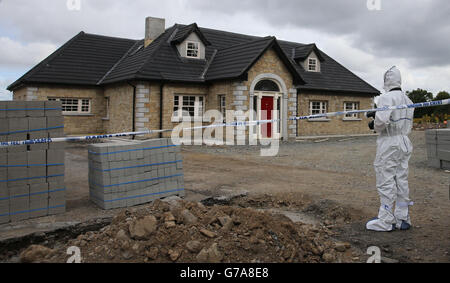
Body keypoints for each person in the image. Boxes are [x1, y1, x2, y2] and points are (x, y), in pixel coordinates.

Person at [366, 66, 415, 232]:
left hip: (389, 142)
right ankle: (403, 217)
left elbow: (381, 123)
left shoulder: (386, 98)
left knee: (385, 179)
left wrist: (373, 123)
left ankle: (386, 220)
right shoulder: (408, 100)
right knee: (401, 179)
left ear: (387, 80)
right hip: (404, 140)